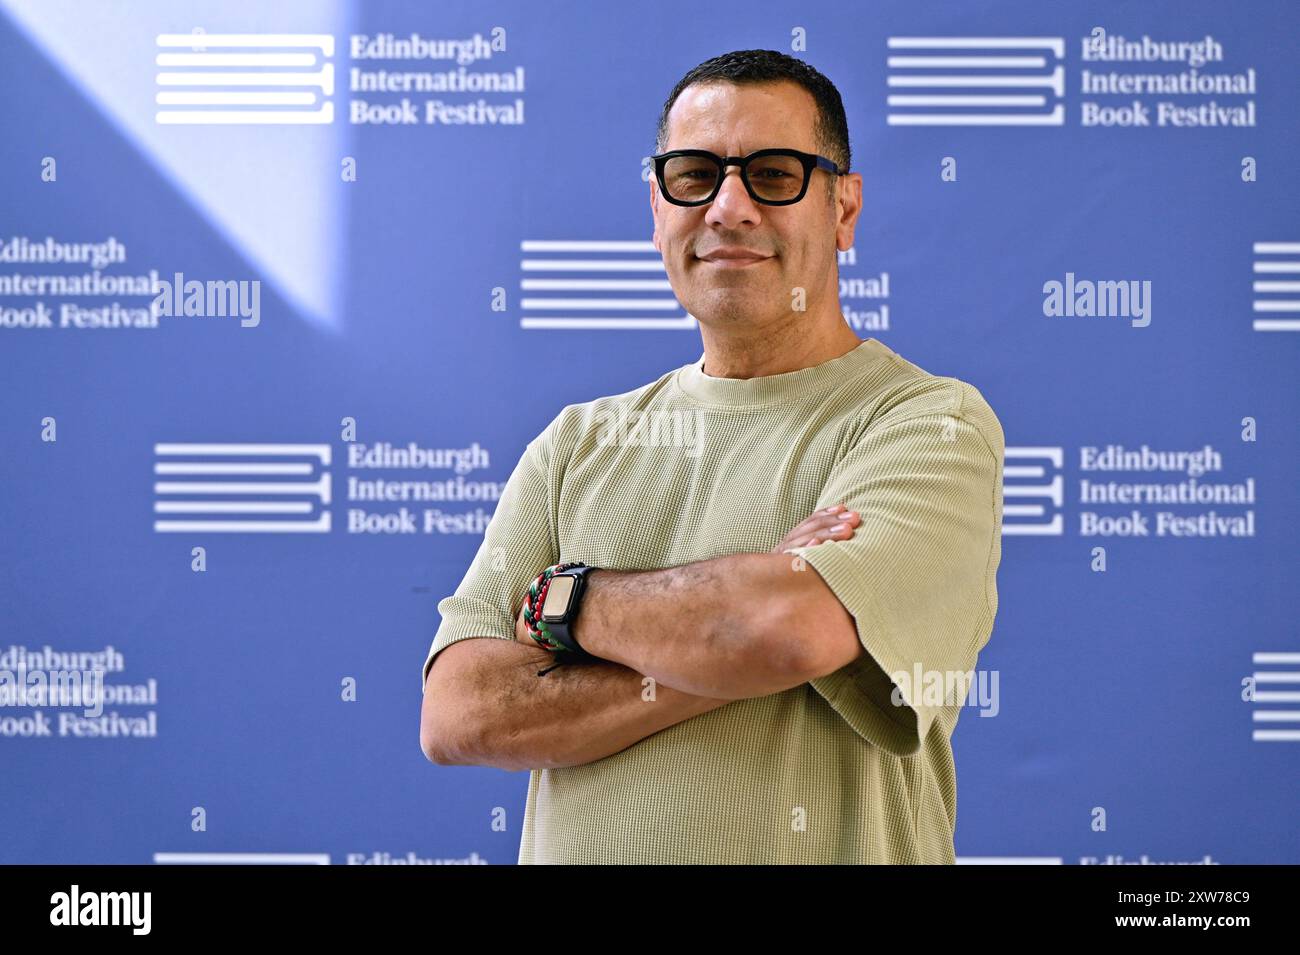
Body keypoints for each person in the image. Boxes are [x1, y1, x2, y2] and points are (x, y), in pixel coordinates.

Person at [419, 49, 1005, 864]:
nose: (729, 207)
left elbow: (783, 628)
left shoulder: (925, 422)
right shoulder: (575, 443)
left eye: (773, 173)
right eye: (695, 174)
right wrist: (742, 625)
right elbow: (460, 713)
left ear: (844, 208)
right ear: (657, 207)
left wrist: (565, 603)